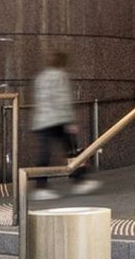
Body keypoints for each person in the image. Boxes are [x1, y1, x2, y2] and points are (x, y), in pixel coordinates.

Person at [28, 52, 99, 200]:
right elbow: (62, 100)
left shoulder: (41, 77)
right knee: (72, 151)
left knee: (44, 154)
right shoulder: (60, 76)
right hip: (59, 120)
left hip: (42, 120)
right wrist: (70, 121)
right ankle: (80, 181)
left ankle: (41, 187)